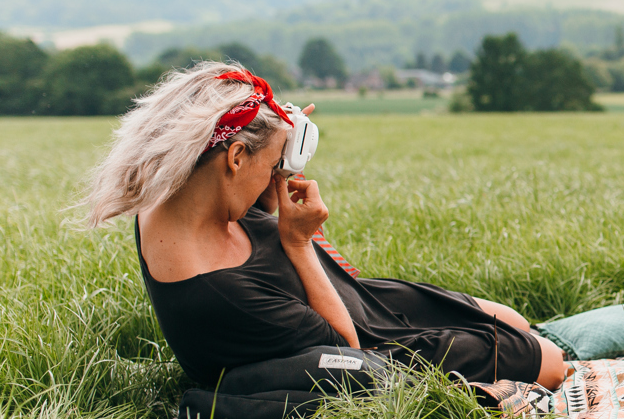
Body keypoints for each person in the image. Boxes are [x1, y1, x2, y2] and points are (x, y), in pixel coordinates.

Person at [85, 62, 566, 391]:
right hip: (372, 346)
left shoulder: (181, 196)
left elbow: (234, 159)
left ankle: (616, 328)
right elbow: (348, 350)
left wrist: (277, 139)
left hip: (369, 301)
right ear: (234, 157)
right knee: (549, 360)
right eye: (274, 165)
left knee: (516, 321)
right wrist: (298, 241)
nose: (279, 178)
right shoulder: (218, 293)